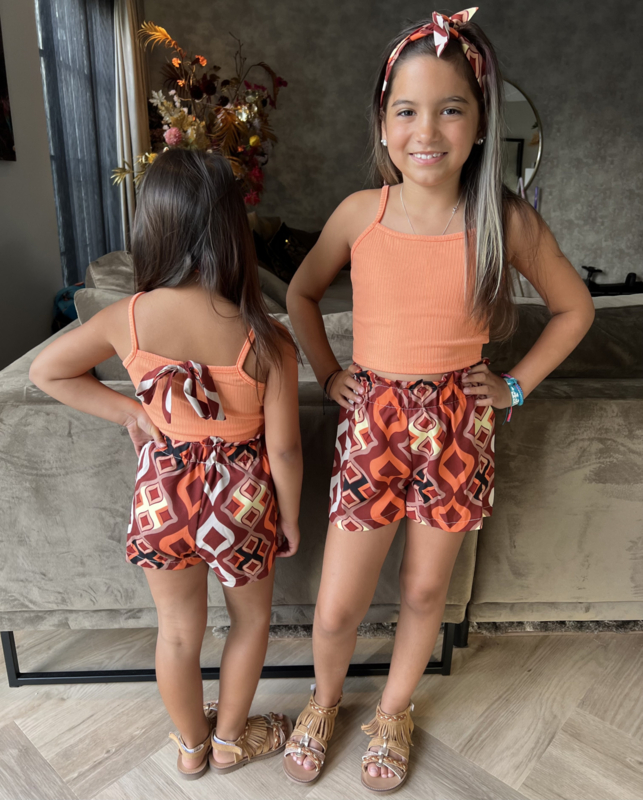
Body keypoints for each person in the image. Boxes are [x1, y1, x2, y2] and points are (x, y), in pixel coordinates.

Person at [282, 8, 594, 793]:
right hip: (371, 429)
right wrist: (328, 371)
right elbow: (300, 293)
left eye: (450, 109)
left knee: (425, 590)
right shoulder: (360, 214)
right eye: (406, 111)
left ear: (480, 121)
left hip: (459, 431)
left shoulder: (504, 220)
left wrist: (514, 384)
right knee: (338, 606)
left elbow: (575, 309)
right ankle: (324, 700)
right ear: (382, 123)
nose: (426, 131)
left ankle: (393, 711)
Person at [30, 149, 303, 780]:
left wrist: (131, 412)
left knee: (177, 632)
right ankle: (230, 740)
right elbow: (286, 449)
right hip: (242, 500)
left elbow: (48, 371)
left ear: (151, 227)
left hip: (164, 496)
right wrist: (288, 517)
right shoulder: (268, 336)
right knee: (250, 622)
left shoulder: (126, 317)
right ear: (232, 230)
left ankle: (191, 746)